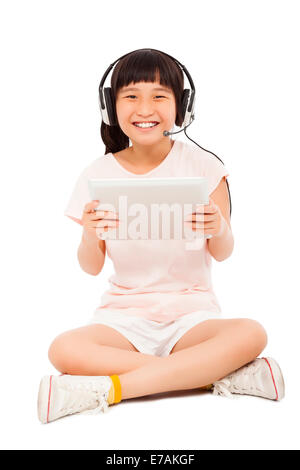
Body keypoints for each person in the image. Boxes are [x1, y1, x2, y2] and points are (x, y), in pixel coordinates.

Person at [37, 49, 285, 424]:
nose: (145, 108)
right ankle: (209, 374)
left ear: (181, 106)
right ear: (110, 106)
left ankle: (110, 389)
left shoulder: (205, 165)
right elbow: (90, 267)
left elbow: (223, 252)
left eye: (159, 96)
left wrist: (218, 227)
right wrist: (90, 235)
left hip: (192, 316)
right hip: (123, 318)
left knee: (251, 332)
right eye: (131, 96)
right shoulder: (96, 173)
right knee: (63, 349)